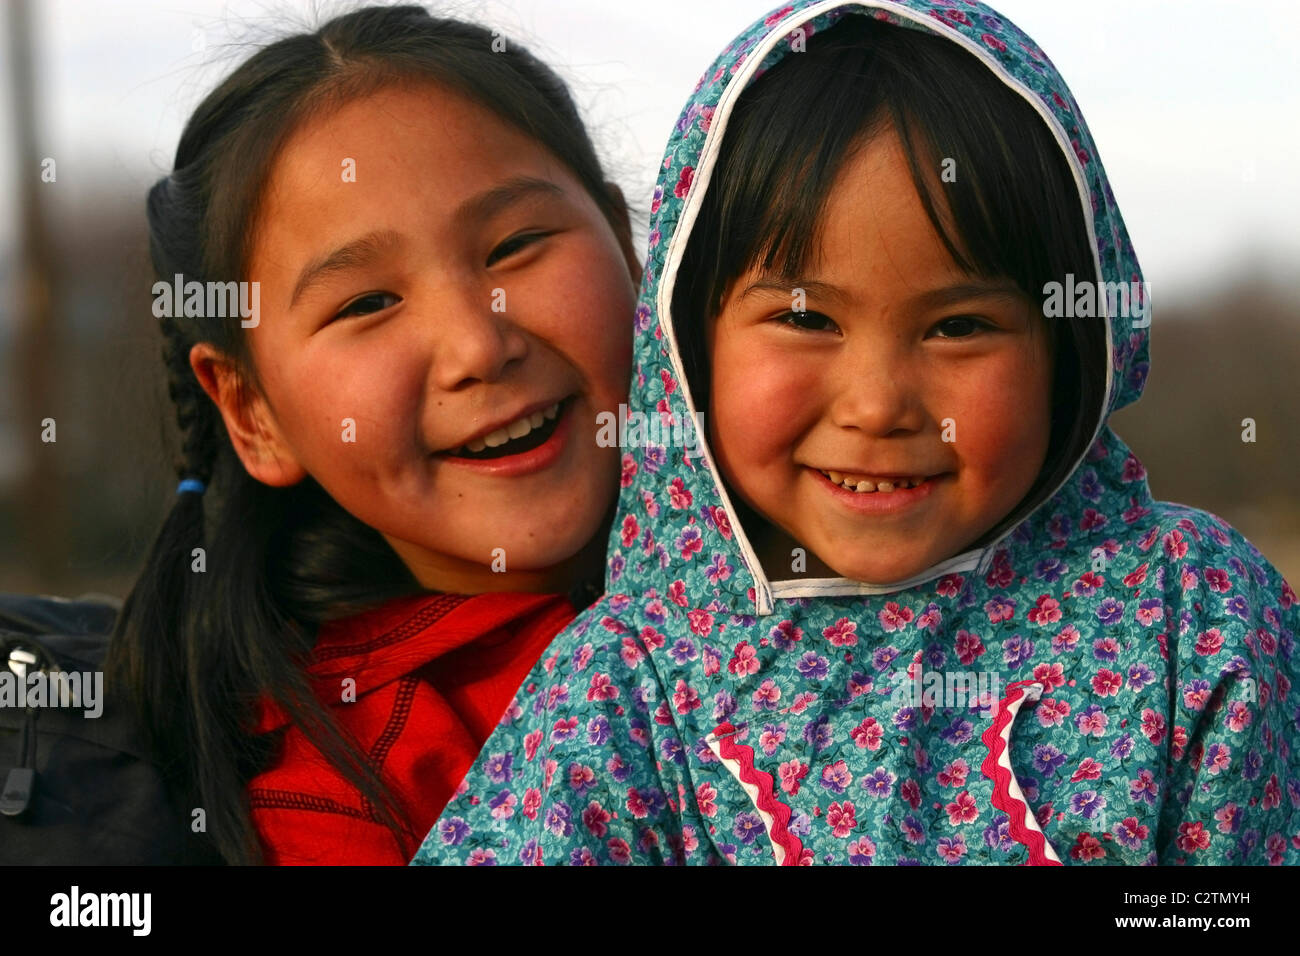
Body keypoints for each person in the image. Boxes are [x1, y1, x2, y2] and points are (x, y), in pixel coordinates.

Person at [413, 0, 1298, 865]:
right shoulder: (626, 689)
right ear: (689, 342)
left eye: (958, 327)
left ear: (1069, 352)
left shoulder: (1194, 615)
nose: (877, 406)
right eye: (805, 320)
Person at [106, 5, 640, 865]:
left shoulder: (854, 533)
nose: (478, 344)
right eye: (367, 303)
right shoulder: (346, 792)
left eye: (516, 245)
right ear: (253, 415)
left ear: (624, 242)